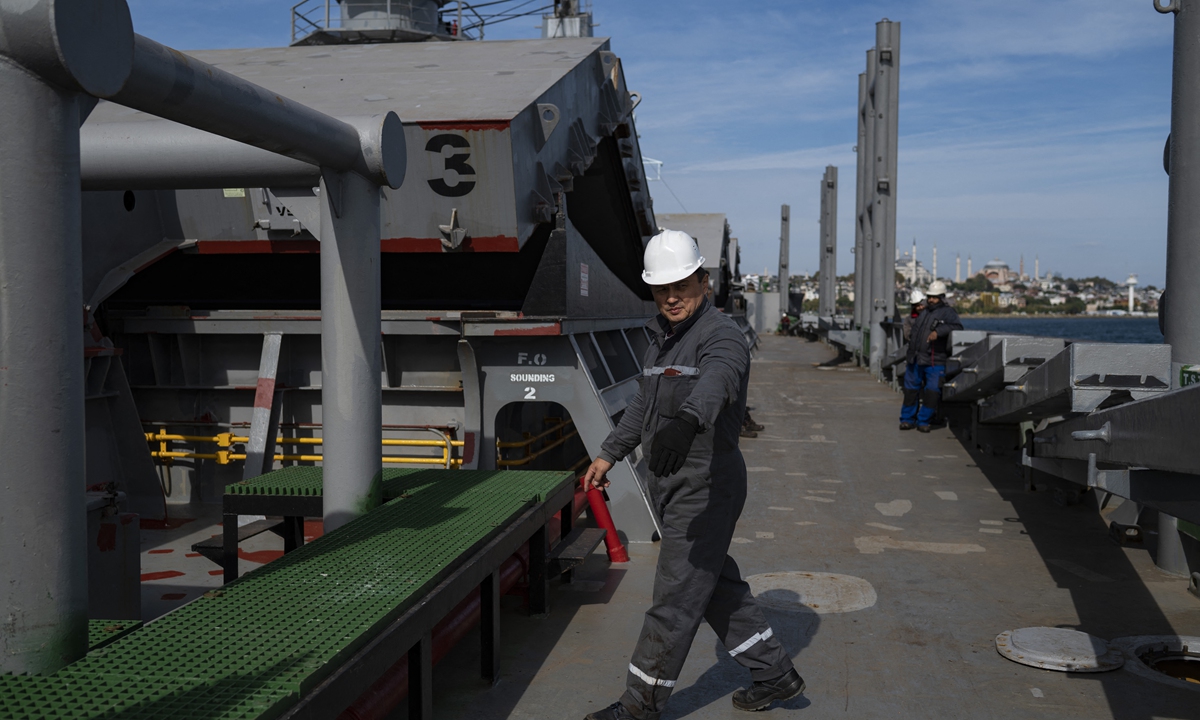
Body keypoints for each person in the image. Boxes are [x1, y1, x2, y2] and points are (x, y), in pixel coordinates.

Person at [581, 230, 803, 720]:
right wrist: (610, 452)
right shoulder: (661, 338)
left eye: (682, 284)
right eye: (662, 289)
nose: (672, 297)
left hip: (706, 487)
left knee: (675, 600)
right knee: (712, 585)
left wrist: (686, 422)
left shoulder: (720, 336)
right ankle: (776, 674)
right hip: (673, 483)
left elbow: (719, 381)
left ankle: (639, 706)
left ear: (704, 280)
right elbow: (643, 401)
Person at [899, 280, 962, 432]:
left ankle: (923, 421)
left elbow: (957, 326)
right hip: (915, 358)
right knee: (910, 391)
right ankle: (907, 420)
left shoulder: (948, 312)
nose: (931, 300)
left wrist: (938, 332)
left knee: (932, 391)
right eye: (929, 296)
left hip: (935, 359)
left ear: (941, 297)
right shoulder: (925, 312)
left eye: (934, 297)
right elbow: (915, 331)